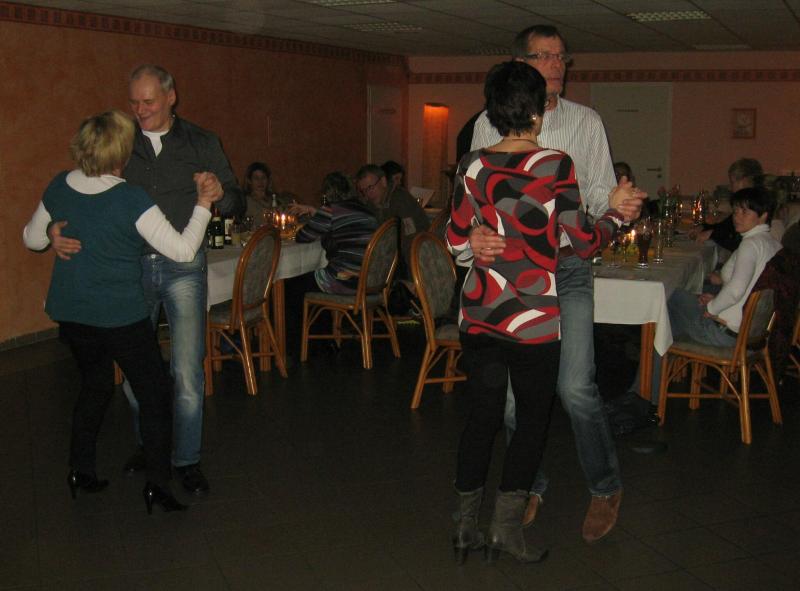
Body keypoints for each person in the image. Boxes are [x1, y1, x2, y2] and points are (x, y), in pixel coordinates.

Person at [467, 25, 643, 543]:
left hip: (566, 267)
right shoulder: (485, 125)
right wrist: (474, 234)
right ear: (520, 63)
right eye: (545, 56)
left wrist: (618, 205)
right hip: (512, 276)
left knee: (575, 388)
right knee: (512, 401)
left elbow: (598, 193)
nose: (557, 66)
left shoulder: (585, 122)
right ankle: (529, 485)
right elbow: (473, 200)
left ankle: (605, 486)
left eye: (562, 57)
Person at [49, 65, 243, 495]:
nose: (139, 110)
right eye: (134, 102)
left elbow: (235, 201)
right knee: (137, 372)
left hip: (183, 266)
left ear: (171, 97)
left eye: (148, 101)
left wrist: (219, 193)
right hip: (131, 267)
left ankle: (186, 460)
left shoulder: (202, 142)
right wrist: (52, 230)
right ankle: (149, 446)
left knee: (187, 370)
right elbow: (80, 193)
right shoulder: (120, 141)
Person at [23, 110, 221, 513]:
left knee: (95, 385)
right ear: (122, 153)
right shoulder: (129, 197)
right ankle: (157, 486)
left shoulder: (60, 184)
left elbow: (31, 239)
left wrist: (52, 234)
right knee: (155, 394)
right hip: (118, 316)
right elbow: (184, 251)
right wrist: (203, 203)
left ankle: (80, 470)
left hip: (72, 313)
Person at [634, 187, 781, 397]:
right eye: (736, 211)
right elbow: (749, 289)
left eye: (745, 212)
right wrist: (717, 298)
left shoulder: (751, 245)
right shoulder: (773, 244)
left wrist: (712, 308)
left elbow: (736, 291)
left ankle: (646, 390)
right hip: (753, 334)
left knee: (666, 297)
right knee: (672, 315)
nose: (737, 217)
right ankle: (651, 386)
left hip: (727, 335)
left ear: (763, 216)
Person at [284, 172, 378, 353]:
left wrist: (318, 214)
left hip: (345, 281)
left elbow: (303, 236)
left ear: (327, 193)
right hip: (369, 281)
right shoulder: (366, 210)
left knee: (290, 286)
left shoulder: (332, 210)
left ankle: (298, 346)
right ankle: (324, 340)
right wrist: (316, 212)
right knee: (313, 278)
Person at [355, 164, 430, 274]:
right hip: (392, 260)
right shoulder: (372, 204)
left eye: (371, 187)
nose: (368, 194)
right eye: (364, 191)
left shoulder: (400, 200)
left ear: (383, 181)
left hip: (417, 260)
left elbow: (410, 238)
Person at [690, 158, 764, 252]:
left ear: (745, 180)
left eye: (733, 182)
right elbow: (726, 225)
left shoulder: (755, 205)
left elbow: (737, 241)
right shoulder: (748, 201)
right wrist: (704, 227)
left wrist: (712, 234)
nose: (731, 188)